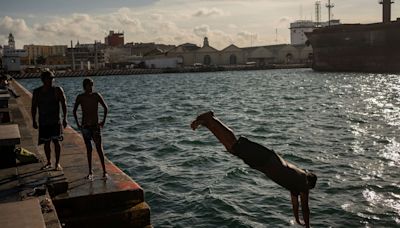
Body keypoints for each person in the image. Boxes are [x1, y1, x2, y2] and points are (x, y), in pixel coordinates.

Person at [191, 111, 317, 228]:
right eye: (308, 190)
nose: (305, 193)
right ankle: (211, 118)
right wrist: (307, 227)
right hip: (265, 159)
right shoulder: (303, 182)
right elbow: (305, 208)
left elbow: (296, 204)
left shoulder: (295, 183)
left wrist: (297, 219)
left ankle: (208, 123)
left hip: (264, 161)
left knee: (232, 149)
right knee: (235, 145)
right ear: (309, 184)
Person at [73, 78, 108, 180]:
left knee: (99, 148)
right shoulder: (80, 97)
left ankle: (104, 171)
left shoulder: (96, 96)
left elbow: (105, 108)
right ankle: (90, 172)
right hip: (85, 127)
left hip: (95, 126)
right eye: (89, 85)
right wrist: (78, 124)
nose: (91, 87)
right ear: (85, 86)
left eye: (92, 85)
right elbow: (74, 111)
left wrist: (103, 121)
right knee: (89, 149)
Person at [31, 70, 67, 171]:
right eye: (49, 78)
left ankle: (57, 163)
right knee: (46, 142)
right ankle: (49, 162)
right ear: (43, 80)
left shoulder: (57, 90)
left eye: (52, 78)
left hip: (55, 121)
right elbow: (34, 107)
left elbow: (64, 104)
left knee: (56, 141)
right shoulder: (37, 92)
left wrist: (65, 118)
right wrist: (34, 120)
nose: (51, 80)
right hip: (43, 121)